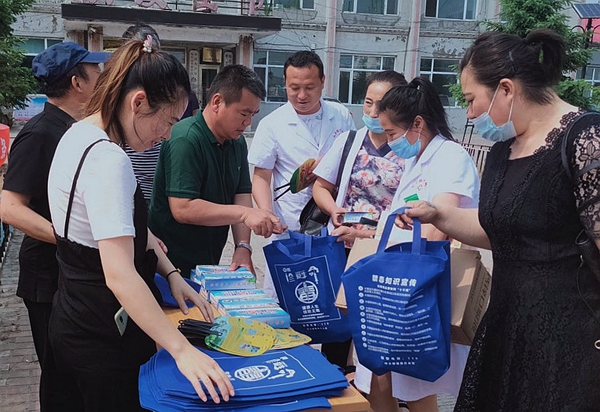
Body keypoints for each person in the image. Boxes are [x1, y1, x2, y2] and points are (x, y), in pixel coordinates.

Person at [396, 29, 600, 412]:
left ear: (506, 89)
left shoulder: (586, 139)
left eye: (471, 99)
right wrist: (438, 213)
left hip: (569, 343)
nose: (470, 114)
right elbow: (499, 230)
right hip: (506, 329)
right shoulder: (503, 150)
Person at [46, 38, 234, 411]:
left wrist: (172, 273)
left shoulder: (78, 133)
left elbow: (124, 229)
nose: (166, 136)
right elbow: (119, 275)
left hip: (70, 317)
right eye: (168, 121)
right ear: (138, 102)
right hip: (102, 335)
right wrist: (181, 350)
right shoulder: (108, 160)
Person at [353, 77, 479, 412]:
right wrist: (367, 231)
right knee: (380, 376)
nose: (389, 142)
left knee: (415, 388)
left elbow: (439, 228)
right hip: (399, 281)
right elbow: (403, 216)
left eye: (392, 133)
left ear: (418, 124)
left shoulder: (450, 157)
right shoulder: (416, 159)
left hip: (419, 285)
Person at [0, 41, 109, 410]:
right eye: (95, 72)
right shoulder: (40, 133)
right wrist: (69, 239)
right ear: (77, 82)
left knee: (76, 374)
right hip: (46, 276)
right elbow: (10, 208)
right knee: (59, 377)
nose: (102, 78)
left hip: (70, 271)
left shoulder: (78, 129)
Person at [248, 50, 355, 369]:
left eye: (309, 87)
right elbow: (261, 177)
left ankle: (335, 371)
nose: (301, 95)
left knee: (334, 305)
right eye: (294, 87)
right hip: (290, 229)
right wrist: (267, 212)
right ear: (285, 84)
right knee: (289, 307)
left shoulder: (341, 116)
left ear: (323, 82)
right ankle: (292, 370)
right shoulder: (272, 124)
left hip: (332, 228)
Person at [148, 64, 284, 278]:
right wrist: (245, 214)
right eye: (243, 113)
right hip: (167, 264)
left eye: (253, 114)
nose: (248, 123)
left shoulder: (236, 142)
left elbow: (241, 194)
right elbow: (183, 208)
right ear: (217, 102)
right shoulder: (186, 139)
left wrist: (243, 246)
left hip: (207, 264)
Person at [312, 70, 407, 247]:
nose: (373, 113)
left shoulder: (409, 150)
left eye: (382, 105)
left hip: (388, 244)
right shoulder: (349, 141)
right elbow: (321, 186)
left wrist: (362, 235)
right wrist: (333, 209)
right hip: (342, 242)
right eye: (368, 102)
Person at [121, 23, 199, 208]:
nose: (167, 135)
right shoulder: (110, 155)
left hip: (158, 192)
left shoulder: (180, 94)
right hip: (130, 192)